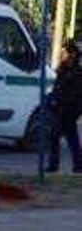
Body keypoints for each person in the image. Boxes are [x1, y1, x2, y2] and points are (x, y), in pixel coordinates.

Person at [47, 40, 82, 173]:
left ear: (72, 55)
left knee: (59, 136)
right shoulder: (63, 70)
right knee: (67, 138)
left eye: (65, 52)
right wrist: (52, 99)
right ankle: (76, 166)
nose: (62, 54)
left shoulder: (77, 73)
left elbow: (75, 94)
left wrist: (61, 102)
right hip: (60, 109)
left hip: (69, 110)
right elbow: (57, 88)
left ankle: (56, 165)